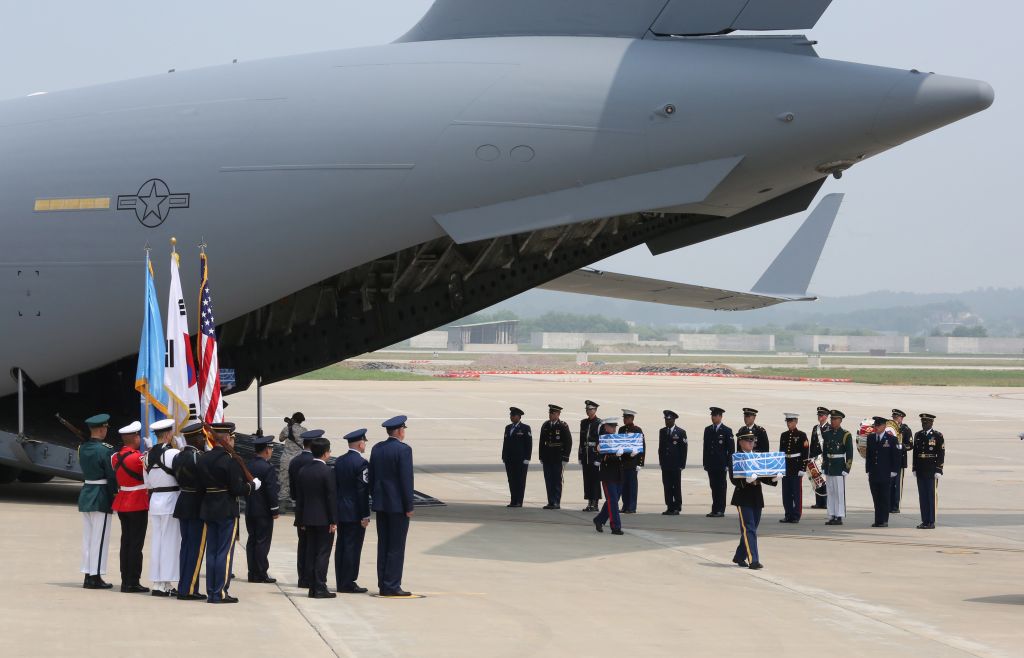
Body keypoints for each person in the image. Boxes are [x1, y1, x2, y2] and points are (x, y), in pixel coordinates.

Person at [198, 422, 260, 603]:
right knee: (224, 553)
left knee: (212, 552)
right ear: (226, 438)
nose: (233, 441)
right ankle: (220, 593)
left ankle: (211, 591)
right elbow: (237, 489)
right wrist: (252, 486)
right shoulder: (230, 460)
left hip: (209, 508)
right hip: (226, 508)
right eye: (232, 438)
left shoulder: (204, 458)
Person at [368, 415, 415, 597]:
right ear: (400, 430)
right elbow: (406, 480)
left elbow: (371, 477)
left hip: (381, 504)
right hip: (397, 506)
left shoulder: (377, 448)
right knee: (396, 546)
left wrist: (376, 496)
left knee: (384, 545)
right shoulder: (404, 450)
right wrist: (409, 505)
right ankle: (392, 585)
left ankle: (383, 583)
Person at [729, 428, 779, 569]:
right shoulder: (736, 457)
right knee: (749, 528)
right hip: (743, 497)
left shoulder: (757, 456)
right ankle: (753, 560)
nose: (751, 443)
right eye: (748, 440)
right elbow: (733, 479)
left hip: (756, 497)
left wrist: (774, 478)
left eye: (753, 440)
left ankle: (739, 556)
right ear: (740, 442)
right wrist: (746, 480)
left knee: (752, 528)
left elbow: (764, 476)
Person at [78, 413, 117, 590]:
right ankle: (96, 576)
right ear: (101, 429)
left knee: (88, 538)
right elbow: (111, 476)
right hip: (100, 495)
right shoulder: (106, 450)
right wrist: (114, 496)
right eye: (105, 428)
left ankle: (88, 574)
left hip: (86, 494)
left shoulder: (82, 448)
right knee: (100, 539)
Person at [295, 436, 337, 599]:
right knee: (322, 553)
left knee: (311, 552)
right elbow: (330, 497)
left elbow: (301, 498)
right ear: (326, 453)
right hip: (324, 519)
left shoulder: (304, 470)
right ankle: (320, 586)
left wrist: (300, 520)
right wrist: (334, 520)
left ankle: (312, 586)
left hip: (307, 518)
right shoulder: (327, 471)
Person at [143, 418, 181, 597]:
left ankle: (159, 582)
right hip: (170, 499)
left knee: (158, 542)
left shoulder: (147, 455)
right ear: (167, 434)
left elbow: (147, 483)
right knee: (169, 543)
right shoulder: (173, 453)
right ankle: (164, 582)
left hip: (155, 500)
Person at [111, 421, 150, 594]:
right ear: (134, 438)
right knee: (136, 544)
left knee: (125, 542)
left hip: (122, 501)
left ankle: (125, 580)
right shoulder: (139, 458)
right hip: (137, 502)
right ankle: (133, 581)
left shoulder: (114, 457)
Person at [172, 422, 208, 600]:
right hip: (196, 505)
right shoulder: (198, 457)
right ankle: (190, 589)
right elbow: (205, 482)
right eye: (202, 437)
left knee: (186, 547)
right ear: (198, 439)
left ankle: (183, 586)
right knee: (195, 549)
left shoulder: (179, 456)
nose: (204, 440)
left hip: (183, 502)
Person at [334, 429, 371, 593]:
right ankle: (348, 582)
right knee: (352, 548)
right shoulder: (362, 463)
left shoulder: (339, 461)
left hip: (340, 510)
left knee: (341, 546)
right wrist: (365, 514)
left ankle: (341, 580)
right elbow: (362, 491)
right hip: (354, 512)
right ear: (360, 443)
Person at [245, 435, 281, 584]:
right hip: (263, 511)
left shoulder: (248, 465)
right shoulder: (268, 467)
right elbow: (271, 491)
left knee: (252, 540)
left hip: (250, 509)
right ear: (267, 450)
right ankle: (261, 573)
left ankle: (252, 572)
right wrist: (275, 510)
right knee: (262, 542)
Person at [290, 429, 319, 588]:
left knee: (303, 544)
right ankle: (311, 577)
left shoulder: (295, 461)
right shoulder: (315, 462)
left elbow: (293, 489)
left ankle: (303, 577)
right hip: (314, 509)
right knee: (313, 545)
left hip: (299, 508)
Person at [593, 417, 626, 535]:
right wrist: (617, 456)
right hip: (608, 474)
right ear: (606, 427)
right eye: (611, 426)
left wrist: (631, 453)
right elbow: (603, 457)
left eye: (614, 427)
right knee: (613, 501)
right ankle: (615, 526)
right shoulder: (602, 439)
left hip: (619, 473)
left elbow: (625, 453)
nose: (613, 429)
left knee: (614, 499)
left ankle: (599, 519)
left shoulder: (618, 439)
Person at [865, 416, 900, 528]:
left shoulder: (891, 439)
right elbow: (869, 456)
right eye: (875, 425)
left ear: (884, 426)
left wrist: (894, 471)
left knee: (884, 497)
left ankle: (884, 520)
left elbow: (895, 457)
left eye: (878, 426)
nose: (876, 428)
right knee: (876, 498)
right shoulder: (870, 438)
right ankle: (877, 520)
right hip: (874, 473)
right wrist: (868, 470)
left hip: (885, 473)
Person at [912, 413, 945, 529]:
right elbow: (915, 453)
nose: (924, 424)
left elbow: (941, 453)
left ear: (931, 423)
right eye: (922, 422)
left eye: (926, 423)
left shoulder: (937, 435)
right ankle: (924, 520)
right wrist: (914, 468)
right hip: (921, 468)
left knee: (931, 496)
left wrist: (939, 469)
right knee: (922, 496)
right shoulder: (918, 435)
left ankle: (931, 521)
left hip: (931, 469)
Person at [822, 410, 853, 526]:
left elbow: (849, 453)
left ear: (840, 420)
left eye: (835, 419)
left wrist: (847, 468)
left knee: (839, 493)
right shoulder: (827, 434)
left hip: (839, 466)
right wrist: (824, 465)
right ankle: (831, 514)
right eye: (832, 419)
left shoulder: (845, 434)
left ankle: (839, 515)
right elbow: (825, 452)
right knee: (830, 492)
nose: (833, 421)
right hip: (830, 466)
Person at [703, 407, 734, 518]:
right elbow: (705, 448)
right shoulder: (708, 430)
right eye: (712, 415)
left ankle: (720, 509)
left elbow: (731, 450)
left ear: (720, 417)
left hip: (721, 464)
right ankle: (714, 509)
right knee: (713, 486)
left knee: (721, 487)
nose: (713, 418)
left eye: (716, 415)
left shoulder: (726, 430)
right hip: (711, 464)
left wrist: (728, 465)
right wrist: (705, 463)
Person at [538, 404, 572, 510]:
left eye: (552, 413)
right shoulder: (546, 425)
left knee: (557, 480)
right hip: (547, 457)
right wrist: (541, 456)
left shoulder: (563, 426)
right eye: (550, 413)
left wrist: (565, 457)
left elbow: (568, 442)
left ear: (558, 414)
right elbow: (541, 442)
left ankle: (556, 501)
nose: (550, 415)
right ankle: (550, 501)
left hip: (558, 457)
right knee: (548, 479)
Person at [778, 413, 809, 523]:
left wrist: (803, 468)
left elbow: (805, 453)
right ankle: (788, 514)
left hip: (796, 467)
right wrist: (780, 468)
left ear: (796, 422)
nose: (789, 424)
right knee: (786, 492)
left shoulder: (801, 435)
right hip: (786, 466)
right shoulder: (784, 435)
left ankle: (796, 515)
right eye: (787, 422)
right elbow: (781, 453)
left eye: (791, 422)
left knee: (796, 493)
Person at [501, 407, 532, 508]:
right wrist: (504, 456)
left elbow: (529, 444)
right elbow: (505, 443)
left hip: (521, 460)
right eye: (510, 415)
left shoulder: (525, 428)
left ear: (518, 417)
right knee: (511, 480)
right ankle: (513, 500)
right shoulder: (508, 427)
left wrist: (527, 458)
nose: (511, 417)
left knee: (520, 480)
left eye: (513, 416)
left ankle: (519, 501)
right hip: (509, 459)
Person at [658, 410, 687, 515]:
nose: (667, 421)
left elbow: (684, 450)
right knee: (667, 486)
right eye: (666, 419)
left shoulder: (680, 432)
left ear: (674, 420)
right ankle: (669, 506)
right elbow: (661, 448)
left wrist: (682, 465)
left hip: (676, 464)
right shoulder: (662, 431)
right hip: (665, 464)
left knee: (676, 486)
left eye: (669, 419)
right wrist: (661, 462)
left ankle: (677, 506)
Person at [578, 400, 603, 512]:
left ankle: (595, 502)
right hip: (586, 454)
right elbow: (581, 440)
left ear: (595, 410)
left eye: (591, 409)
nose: (588, 411)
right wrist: (580, 455)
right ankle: (589, 501)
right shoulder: (583, 422)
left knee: (595, 480)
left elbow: (601, 441)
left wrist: (599, 458)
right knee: (587, 479)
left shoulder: (599, 423)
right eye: (587, 409)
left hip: (594, 454)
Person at [278, 412, 308, 506]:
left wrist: (289, 427)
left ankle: (282, 503)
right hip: (298, 459)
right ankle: (296, 503)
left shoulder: (287, 429)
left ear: (293, 419)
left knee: (284, 480)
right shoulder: (304, 430)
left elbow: (280, 439)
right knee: (298, 480)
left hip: (286, 458)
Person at [618, 410, 645, 514]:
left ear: (632, 419)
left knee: (632, 486)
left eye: (627, 418)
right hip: (623, 462)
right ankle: (625, 505)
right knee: (623, 485)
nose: (625, 419)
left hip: (632, 462)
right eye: (624, 417)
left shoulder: (637, 430)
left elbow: (642, 446)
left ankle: (632, 506)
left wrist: (640, 463)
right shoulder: (621, 429)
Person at [890, 409, 914, 513]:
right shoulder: (889, 428)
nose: (896, 419)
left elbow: (910, 445)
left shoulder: (906, 429)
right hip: (889, 460)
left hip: (900, 460)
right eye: (894, 417)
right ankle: (888, 505)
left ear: (901, 418)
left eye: (897, 417)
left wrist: (901, 446)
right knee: (889, 483)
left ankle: (895, 506)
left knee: (897, 484)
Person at [808, 406, 831, 509]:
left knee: (824, 480)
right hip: (815, 458)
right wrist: (810, 457)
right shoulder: (815, 428)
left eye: (821, 415)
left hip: (824, 458)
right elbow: (813, 443)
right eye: (818, 415)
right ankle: (818, 502)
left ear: (826, 417)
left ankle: (825, 502)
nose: (819, 417)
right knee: (816, 479)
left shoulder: (829, 428)